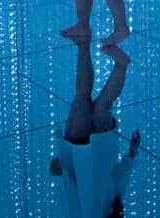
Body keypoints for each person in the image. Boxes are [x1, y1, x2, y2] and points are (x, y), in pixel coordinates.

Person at [50, 37, 141, 218]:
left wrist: (131, 154)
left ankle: (119, 64)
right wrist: (60, 178)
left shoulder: (112, 211)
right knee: (83, 98)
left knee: (99, 104)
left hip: (100, 150)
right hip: (78, 151)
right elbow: (71, 203)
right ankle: (84, 44)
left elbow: (119, 181)